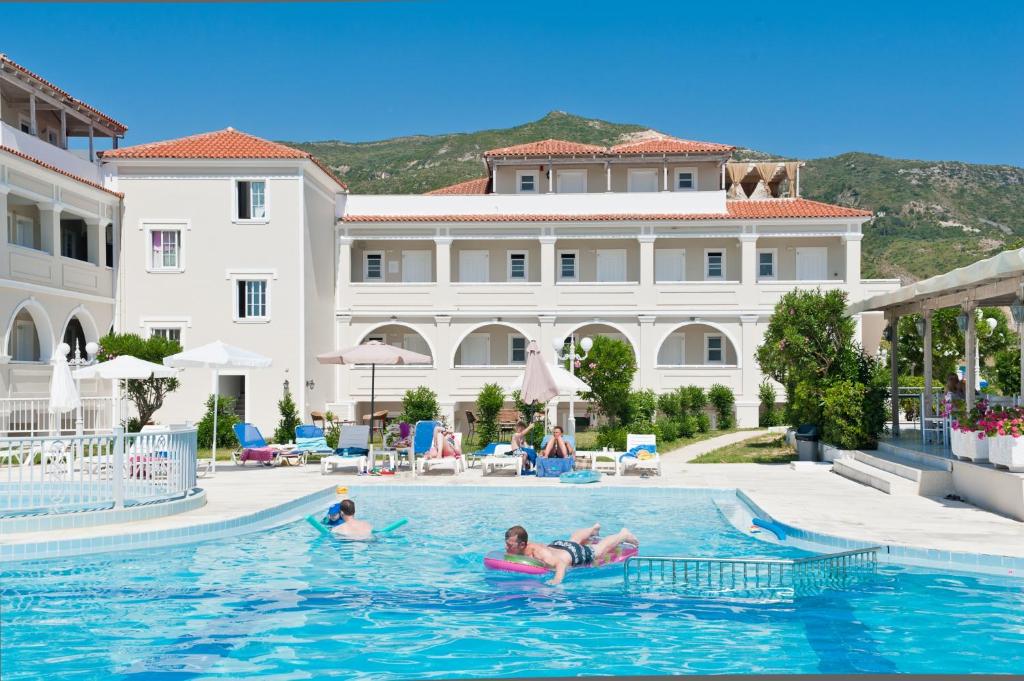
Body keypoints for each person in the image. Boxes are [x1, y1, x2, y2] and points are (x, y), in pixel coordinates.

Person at [504, 524, 639, 586]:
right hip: (558, 546)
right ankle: (592, 529)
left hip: (570, 554)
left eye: (510, 545)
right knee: (572, 540)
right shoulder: (525, 546)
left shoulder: (539, 554)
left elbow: (560, 564)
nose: (506, 548)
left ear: (522, 545)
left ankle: (623, 534)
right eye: (507, 544)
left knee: (597, 551)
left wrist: (556, 581)